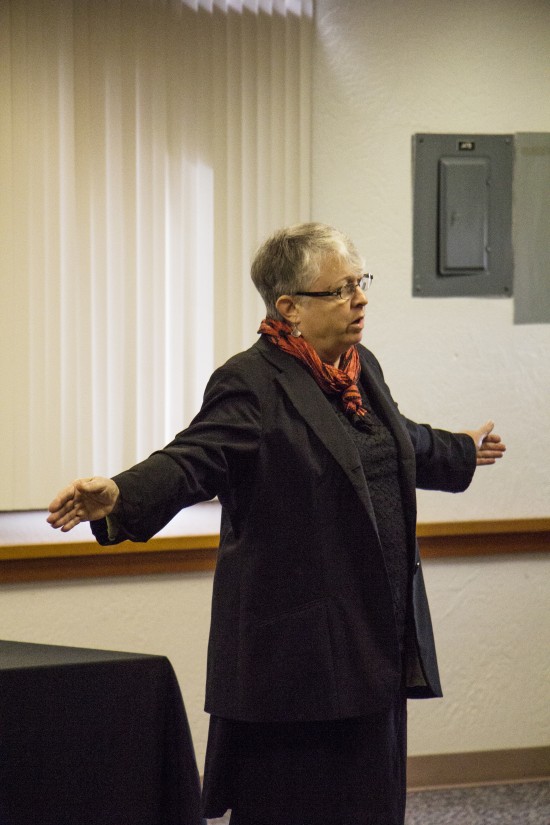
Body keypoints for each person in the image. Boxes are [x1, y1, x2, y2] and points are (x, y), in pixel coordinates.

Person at [48, 223, 505, 825]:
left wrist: (460, 449)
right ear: (288, 307)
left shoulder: (357, 365)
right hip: (297, 661)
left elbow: (392, 442)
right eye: (340, 289)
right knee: (297, 805)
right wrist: (120, 492)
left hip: (373, 637)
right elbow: (194, 458)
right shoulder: (253, 382)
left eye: (360, 284)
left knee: (371, 804)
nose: (360, 299)